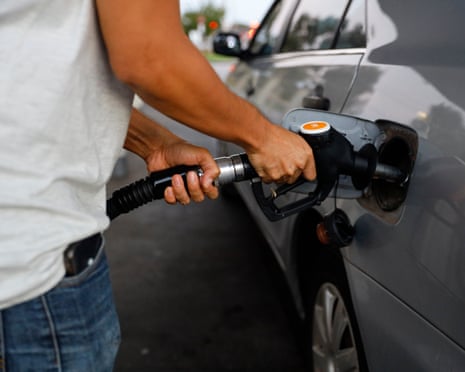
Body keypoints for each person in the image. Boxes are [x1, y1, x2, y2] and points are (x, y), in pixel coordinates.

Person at [0, 0, 316, 371]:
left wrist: (157, 144)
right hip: (32, 271)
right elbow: (148, 54)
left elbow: (27, 72)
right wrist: (265, 138)